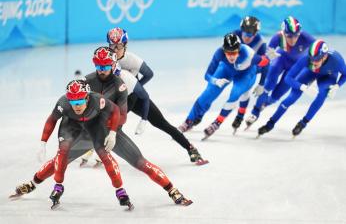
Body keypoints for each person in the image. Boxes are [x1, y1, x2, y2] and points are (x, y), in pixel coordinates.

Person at [10, 47, 193, 206]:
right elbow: (74, 101)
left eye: (105, 66)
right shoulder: (86, 81)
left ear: (114, 65)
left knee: (141, 163)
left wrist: (112, 132)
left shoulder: (123, 84)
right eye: (98, 66)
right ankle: (32, 184)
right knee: (60, 160)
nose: (102, 70)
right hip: (86, 131)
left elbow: (121, 117)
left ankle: (172, 190)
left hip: (109, 134)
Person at [12, 79, 134, 210]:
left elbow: (115, 110)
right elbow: (51, 120)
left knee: (104, 153)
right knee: (62, 153)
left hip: (93, 125)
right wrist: (43, 142)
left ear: (87, 98)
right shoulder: (63, 103)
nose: (76, 106)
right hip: (71, 126)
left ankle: (120, 191)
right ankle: (50, 186)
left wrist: (113, 133)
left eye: (80, 101)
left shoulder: (98, 100)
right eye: (73, 102)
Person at [107, 27, 208, 165]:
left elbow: (149, 74)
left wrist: (137, 87)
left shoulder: (133, 60)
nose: (114, 50)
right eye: (111, 46)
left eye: (118, 46)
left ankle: (191, 148)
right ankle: (94, 150)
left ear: (125, 45)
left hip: (134, 97)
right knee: (107, 122)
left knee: (161, 123)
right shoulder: (106, 58)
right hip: (118, 96)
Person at [178, 33, 269, 137]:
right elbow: (207, 75)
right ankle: (189, 120)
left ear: (239, 51)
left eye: (234, 53)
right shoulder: (219, 52)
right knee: (208, 93)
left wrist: (261, 84)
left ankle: (217, 123)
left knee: (235, 93)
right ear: (224, 50)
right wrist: (215, 81)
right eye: (228, 53)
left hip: (246, 74)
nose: (231, 56)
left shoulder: (249, 54)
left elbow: (266, 63)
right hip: (227, 70)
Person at [257, 40, 346, 137]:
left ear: (325, 57)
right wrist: (302, 86)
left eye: (316, 59)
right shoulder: (306, 58)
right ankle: (270, 123)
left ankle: (303, 123)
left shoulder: (337, 60)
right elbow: (288, 78)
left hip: (328, 76)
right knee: (291, 97)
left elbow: (345, 75)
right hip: (310, 72)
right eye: (311, 59)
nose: (313, 62)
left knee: (322, 94)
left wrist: (337, 85)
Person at [245, 16, 316, 128]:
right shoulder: (277, 37)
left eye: (296, 36)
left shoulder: (305, 37)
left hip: (295, 67)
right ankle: (255, 112)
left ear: (300, 33)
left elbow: (320, 50)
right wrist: (268, 56)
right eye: (289, 36)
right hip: (280, 59)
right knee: (269, 84)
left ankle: (265, 103)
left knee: (278, 94)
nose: (293, 39)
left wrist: (312, 74)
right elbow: (264, 59)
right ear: (284, 33)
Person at [230, 16, 267, 131]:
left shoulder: (261, 43)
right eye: (244, 33)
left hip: (251, 69)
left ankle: (240, 116)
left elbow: (265, 64)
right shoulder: (233, 35)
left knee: (245, 92)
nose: (246, 37)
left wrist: (261, 84)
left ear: (255, 34)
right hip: (235, 66)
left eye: (250, 35)